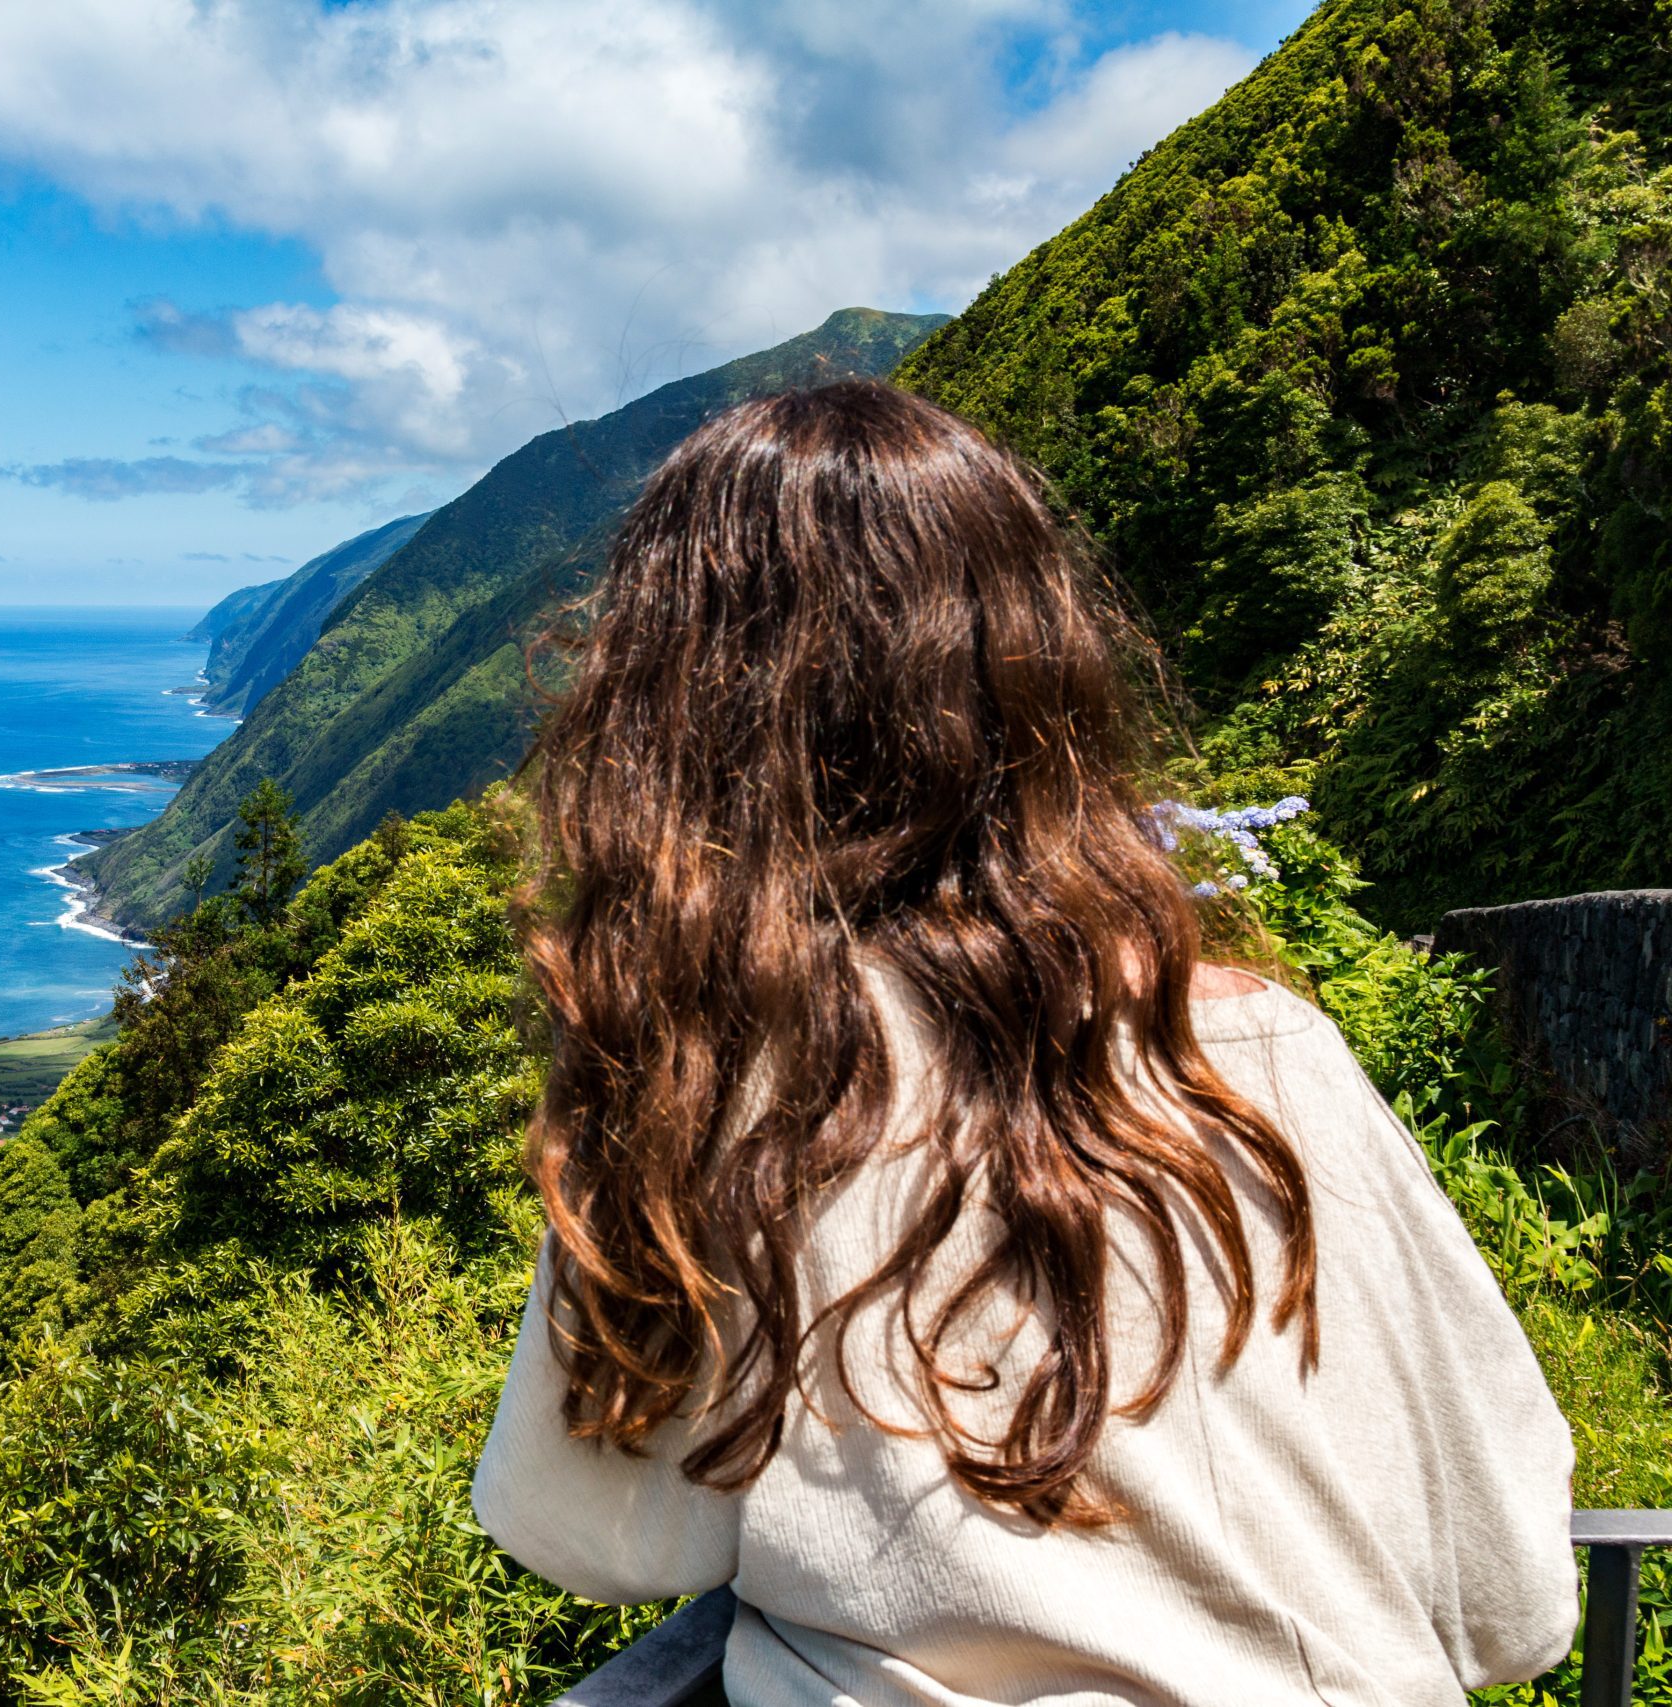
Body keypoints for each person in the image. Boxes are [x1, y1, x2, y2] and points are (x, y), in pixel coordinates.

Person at [472, 381, 1577, 1705]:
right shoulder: (1267, 1047)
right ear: (1036, 669)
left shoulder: (721, 1078)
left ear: (669, 705)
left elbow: (595, 1531)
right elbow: (1512, 1591)